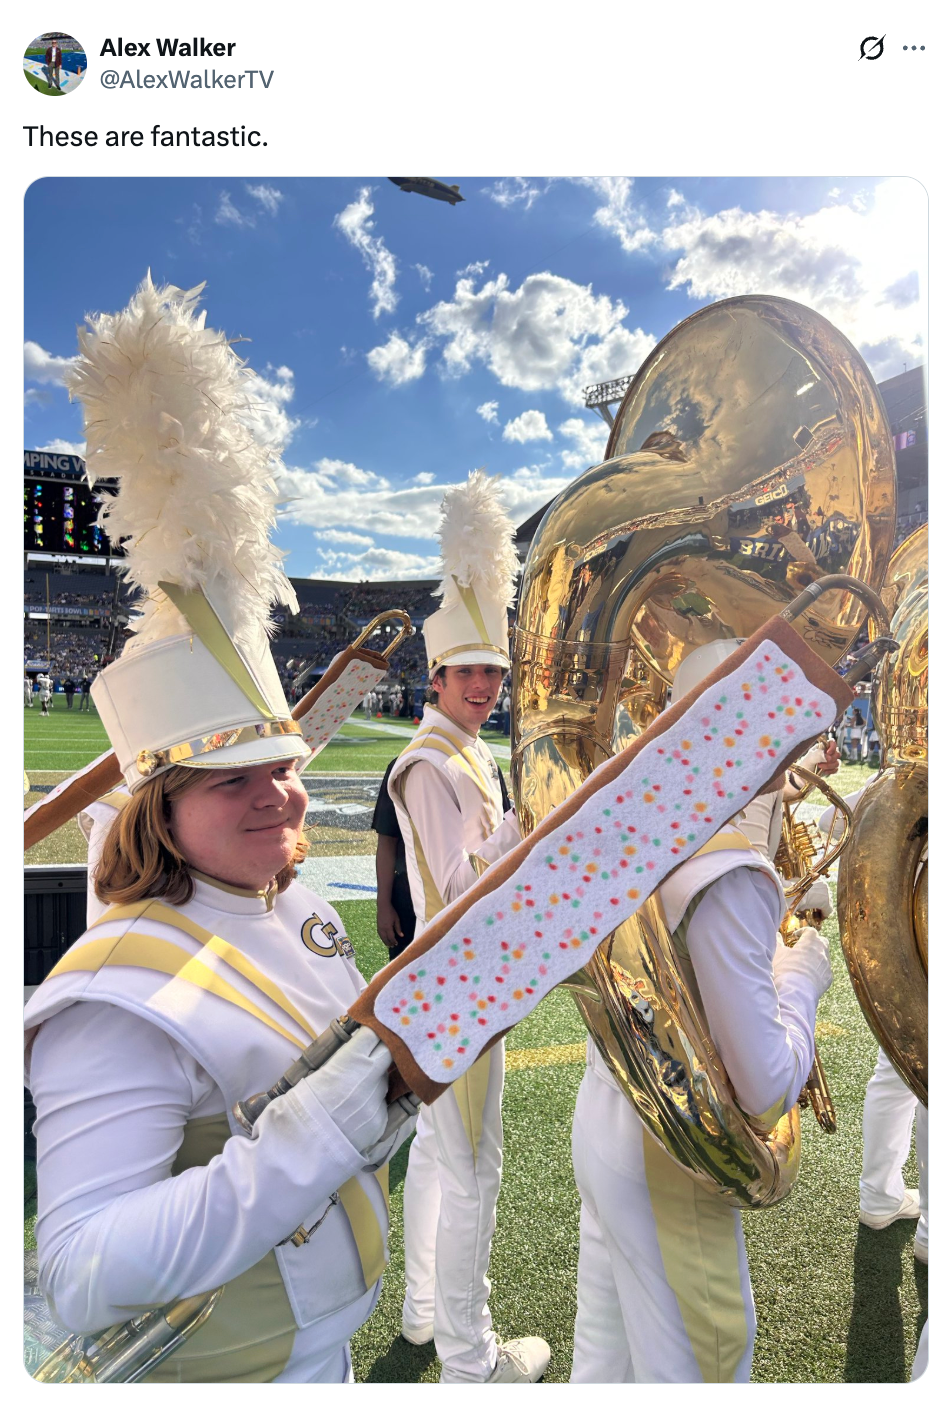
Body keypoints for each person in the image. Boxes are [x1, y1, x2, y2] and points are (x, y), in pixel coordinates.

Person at [24, 276, 412, 1385]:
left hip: (324, 1347)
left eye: (284, 767)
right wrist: (324, 1130)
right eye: (227, 779)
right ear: (157, 806)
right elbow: (84, 1273)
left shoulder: (285, 898)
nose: (278, 797)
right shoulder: (113, 996)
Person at [570, 639, 833, 1384]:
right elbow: (765, 1085)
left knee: (606, 1362)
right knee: (709, 1366)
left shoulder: (637, 822)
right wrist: (803, 975)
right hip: (672, 1156)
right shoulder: (732, 875)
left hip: (606, 1118)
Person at [387, 472, 549, 1384]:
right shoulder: (430, 764)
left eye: (494, 670)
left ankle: (422, 1316)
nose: (485, 684)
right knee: (471, 1173)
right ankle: (469, 1359)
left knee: (440, 1161)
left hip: (453, 984)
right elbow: (454, 891)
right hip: (458, 986)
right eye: (469, 672)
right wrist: (528, 822)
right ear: (436, 676)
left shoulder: (464, 750)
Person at [371, 758, 416, 962]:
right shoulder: (403, 765)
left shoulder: (483, 760)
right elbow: (387, 840)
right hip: (410, 894)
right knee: (410, 976)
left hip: (468, 892)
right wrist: (383, 905)